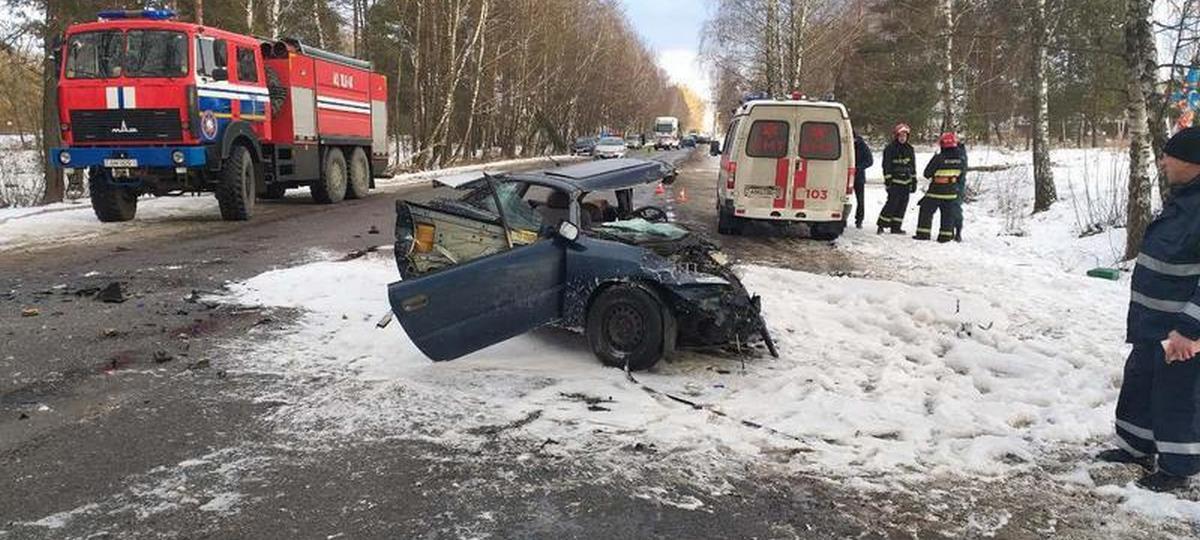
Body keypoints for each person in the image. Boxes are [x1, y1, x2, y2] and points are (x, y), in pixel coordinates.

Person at [1099, 127, 1200, 492]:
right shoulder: (1183, 199)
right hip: (1151, 322)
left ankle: (1177, 468)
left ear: (1192, 163)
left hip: (1181, 330)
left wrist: (1190, 329)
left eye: (1169, 155)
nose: (1163, 161)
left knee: (1177, 396)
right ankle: (1134, 448)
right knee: (1140, 383)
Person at [913, 132, 965, 242]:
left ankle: (923, 234)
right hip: (951, 192)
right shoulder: (961, 159)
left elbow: (927, 173)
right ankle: (945, 236)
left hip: (936, 191)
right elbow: (961, 175)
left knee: (926, 210)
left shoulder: (939, 158)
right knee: (947, 214)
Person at [876, 124, 917, 234]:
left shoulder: (910, 149)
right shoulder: (890, 149)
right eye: (900, 135)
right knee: (891, 204)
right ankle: (881, 225)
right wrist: (888, 181)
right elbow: (886, 166)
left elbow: (913, 166)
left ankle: (896, 227)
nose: (903, 137)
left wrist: (914, 181)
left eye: (905, 135)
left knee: (902, 205)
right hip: (895, 182)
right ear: (896, 136)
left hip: (906, 182)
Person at [852, 132, 874, 229]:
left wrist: (859, 168)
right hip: (843, 176)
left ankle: (859, 220)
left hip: (858, 177)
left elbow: (869, 161)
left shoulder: (862, 145)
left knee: (860, 200)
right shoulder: (843, 144)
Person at [953, 139, 968, 242]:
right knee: (954, 209)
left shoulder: (959, 155)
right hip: (956, 185)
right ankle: (953, 232)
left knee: (955, 208)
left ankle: (957, 232)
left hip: (956, 185)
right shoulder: (961, 153)